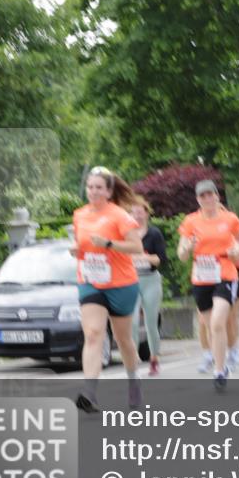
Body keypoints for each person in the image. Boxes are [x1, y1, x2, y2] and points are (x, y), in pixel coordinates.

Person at [71, 166, 144, 412]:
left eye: (99, 188)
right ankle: (89, 393)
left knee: (123, 339)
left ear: (109, 191)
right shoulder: (79, 215)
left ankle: (134, 383)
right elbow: (81, 244)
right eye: (90, 187)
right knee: (93, 333)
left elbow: (137, 248)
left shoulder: (120, 216)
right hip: (90, 280)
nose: (93, 192)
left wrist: (109, 244)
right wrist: (76, 251)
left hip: (121, 283)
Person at [177, 180, 239, 391]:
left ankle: (219, 370)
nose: (207, 199)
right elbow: (181, 254)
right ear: (198, 200)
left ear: (217, 196)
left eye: (210, 195)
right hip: (201, 277)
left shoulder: (230, 219)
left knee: (218, 322)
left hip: (225, 273)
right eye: (202, 196)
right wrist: (187, 248)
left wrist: (238, 251)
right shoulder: (191, 221)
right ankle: (221, 362)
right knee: (209, 326)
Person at [130, 197, 167, 376]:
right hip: (131, 280)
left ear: (146, 213)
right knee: (132, 322)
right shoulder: (126, 234)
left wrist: (144, 257)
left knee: (151, 322)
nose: (137, 215)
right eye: (133, 212)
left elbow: (160, 259)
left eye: (140, 211)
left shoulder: (154, 234)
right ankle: (133, 359)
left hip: (150, 280)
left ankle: (154, 358)